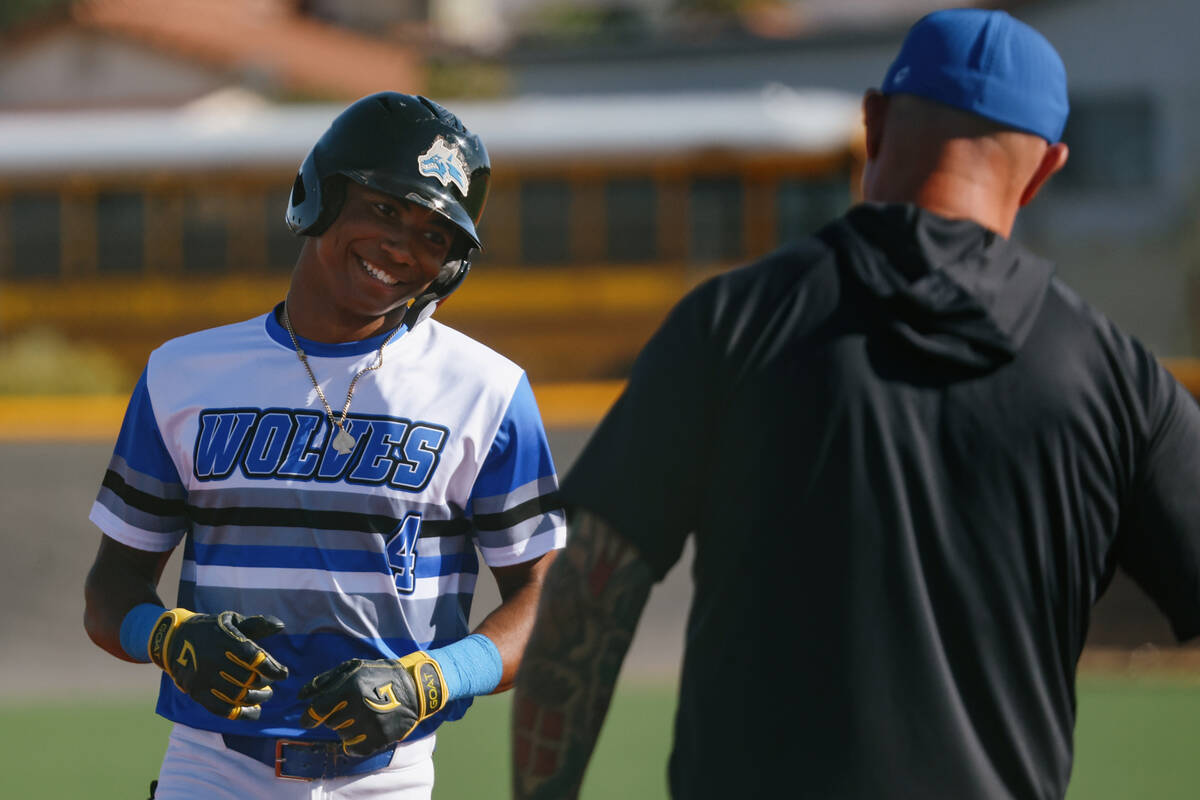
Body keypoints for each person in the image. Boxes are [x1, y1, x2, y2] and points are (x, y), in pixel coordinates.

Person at [511, 9, 1200, 800]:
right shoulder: (1116, 376)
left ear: (873, 124)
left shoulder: (732, 322)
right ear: (1046, 171)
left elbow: (589, 596)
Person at [83, 91, 565, 799]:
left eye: (436, 236)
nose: (403, 247)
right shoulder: (182, 373)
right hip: (209, 769)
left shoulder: (486, 389)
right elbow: (108, 591)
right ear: (319, 195)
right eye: (384, 209)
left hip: (388, 781)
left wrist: (430, 679)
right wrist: (166, 638)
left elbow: (547, 598)